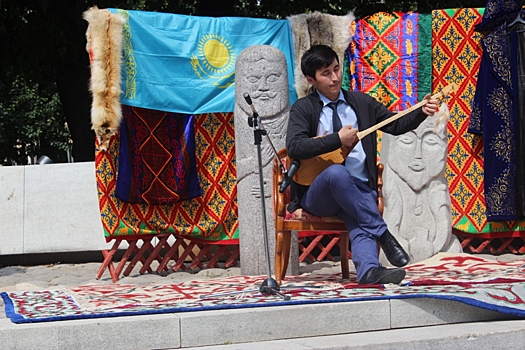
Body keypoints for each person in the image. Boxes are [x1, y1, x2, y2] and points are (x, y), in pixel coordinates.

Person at [286, 44, 438, 284]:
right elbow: (295, 146)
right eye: (326, 73)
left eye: (337, 69)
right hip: (318, 193)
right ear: (310, 79)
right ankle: (384, 235)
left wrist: (422, 112)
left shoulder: (362, 103)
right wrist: (337, 139)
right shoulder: (304, 108)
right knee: (337, 173)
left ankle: (369, 271)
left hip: (357, 188)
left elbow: (396, 124)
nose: (335, 78)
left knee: (359, 204)